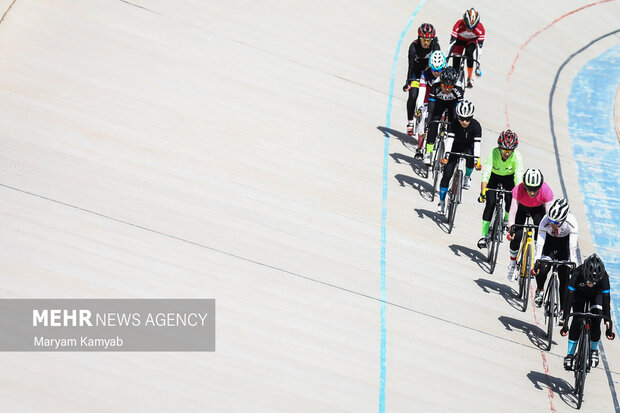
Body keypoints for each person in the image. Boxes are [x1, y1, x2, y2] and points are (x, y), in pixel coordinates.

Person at [560, 253, 615, 371]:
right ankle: (570, 355)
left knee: (596, 319)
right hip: (580, 294)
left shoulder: (604, 278)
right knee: (577, 320)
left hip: (597, 295)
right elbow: (569, 298)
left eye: (594, 282)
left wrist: (608, 324)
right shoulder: (576, 274)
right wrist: (565, 320)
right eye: (589, 281)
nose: (591, 284)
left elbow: (606, 303)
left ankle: (593, 350)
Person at [476, 130, 524, 249]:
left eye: (510, 151)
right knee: (490, 203)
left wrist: (518, 196)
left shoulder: (517, 156)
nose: (507, 153)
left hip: (509, 178)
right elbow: (486, 173)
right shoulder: (493, 153)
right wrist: (483, 191)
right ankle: (484, 235)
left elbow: (518, 177)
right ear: (499, 148)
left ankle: (506, 220)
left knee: (510, 199)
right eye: (504, 150)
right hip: (494, 177)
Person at [505, 169, 554, 281]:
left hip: (537, 209)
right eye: (529, 189)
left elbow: (549, 213)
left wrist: (550, 229)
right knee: (516, 236)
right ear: (524, 186)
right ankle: (512, 263)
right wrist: (510, 227)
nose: (532, 193)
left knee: (540, 228)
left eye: (535, 190)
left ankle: (536, 254)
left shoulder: (546, 191)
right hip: (521, 209)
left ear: (540, 186)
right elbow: (513, 210)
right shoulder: (518, 189)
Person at [530, 198, 578, 310]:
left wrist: (573, 262)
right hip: (549, 244)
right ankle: (540, 290)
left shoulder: (572, 222)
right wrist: (536, 261)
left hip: (564, 245)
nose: (551, 224)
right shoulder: (545, 220)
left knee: (564, 275)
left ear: (563, 219)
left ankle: (563, 310)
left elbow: (572, 246)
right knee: (543, 268)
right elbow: (540, 244)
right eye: (550, 221)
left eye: (555, 223)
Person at [436, 100, 482, 214]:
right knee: (447, 175)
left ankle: (467, 176)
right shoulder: (454, 124)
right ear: (458, 117)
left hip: (468, 146)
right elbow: (449, 141)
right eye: (462, 119)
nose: (465, 122)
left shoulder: (476, 126)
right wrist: (446, 156)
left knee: (471, 158)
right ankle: (441, 202)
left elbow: (477, 145)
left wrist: (477, 161)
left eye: (468, 119)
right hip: (454, 147)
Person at [403, 23, 441, 136]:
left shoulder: (435, 46)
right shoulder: (413, 47)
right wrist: (408, 82)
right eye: (424, 40)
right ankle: (410, 122)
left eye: (429, 40)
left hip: (428, 74)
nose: (426, 43)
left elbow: (439, 63)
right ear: (419, 38)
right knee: (413, 95)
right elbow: (410, 66)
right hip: (416, 74)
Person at [423, 66, 464, 165]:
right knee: (433, 122)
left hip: (452, 103)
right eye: (444, 85)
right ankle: (429, 151)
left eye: (450, 87)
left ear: (454, 85)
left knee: (454, 123)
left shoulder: (459, 88)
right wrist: (428, 122)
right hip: (439, 102)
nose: (446, 89)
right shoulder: (436, 85)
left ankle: (449, 150)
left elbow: (459, 110)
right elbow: (431, 108)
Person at [413, 51, 447, 159]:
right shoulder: (425, 75)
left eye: (439, 70)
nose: (436, 72)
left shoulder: (447, 75)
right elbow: (421, 93)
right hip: (427, 100)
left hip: (442, 100)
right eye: (434, 70)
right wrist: (418, 108)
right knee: (423, 118)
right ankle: (419, 148)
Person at [446, 8, 485, 88]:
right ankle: (454, 81)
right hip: (459, 40)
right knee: (456, 60)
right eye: (467, 26)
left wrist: (478, 65)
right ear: (464, 21)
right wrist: (446, 59)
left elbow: (479, 48)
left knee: (469, 53)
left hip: (471, 41)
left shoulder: (480, 29)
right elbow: (452, 43)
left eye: (472, 28)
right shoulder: (458, 25)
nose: (469, 29)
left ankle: (469, 78)